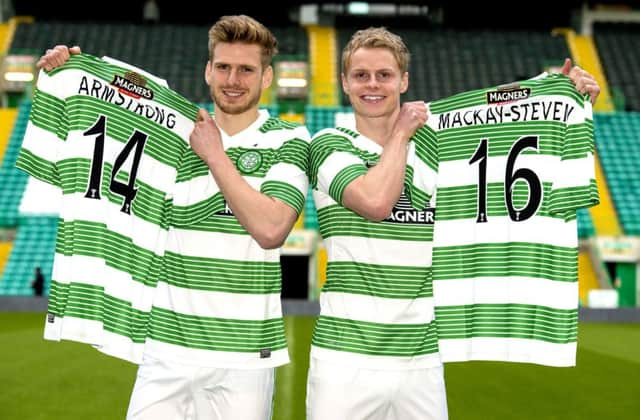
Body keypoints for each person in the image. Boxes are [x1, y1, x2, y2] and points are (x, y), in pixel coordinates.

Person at [307, 27, 601, 420]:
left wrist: (554, 89)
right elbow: (375, 201)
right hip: (345, 359)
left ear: (404, 80)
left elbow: (484, 113)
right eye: (361, 75)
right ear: (344, 82)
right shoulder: (328, 144)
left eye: (384, 75)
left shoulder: (437, 143)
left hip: (423, 358)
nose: (372, 85)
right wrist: (402, 133)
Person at [35, 15, 311, 420]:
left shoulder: (289, 139)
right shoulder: (170, 136)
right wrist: (70, 75)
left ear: (266, 77)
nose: (233, 79)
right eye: (223, 67)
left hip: (244, 355)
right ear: (207, 70)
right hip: (164, 349)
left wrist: (215, 155)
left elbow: (271, 229)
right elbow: (97, 136)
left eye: (246, 69)